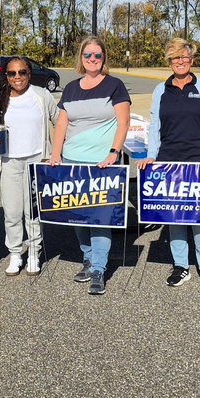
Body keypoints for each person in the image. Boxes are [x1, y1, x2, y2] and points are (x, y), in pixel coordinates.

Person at [137, 39, 200, 289]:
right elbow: (155, 125)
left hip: (198, 158)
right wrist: (152, 154)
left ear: (192, 60)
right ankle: (181, 267)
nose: (180, 62)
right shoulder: (160, 90)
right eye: (175, 58)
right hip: (168, 159)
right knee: (175, 217)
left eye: (184, 57)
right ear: (169, 61)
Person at [49, 37, 131, 296]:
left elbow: (123, 122)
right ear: (81, 57)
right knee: (78, 218)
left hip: (102, 165)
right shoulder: (71, 88)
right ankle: (87, 258)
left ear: (104, 58)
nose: (92, 59)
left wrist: (113, 152)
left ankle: (98, 268)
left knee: (100, 219)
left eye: (97, 55)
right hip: (72, 161)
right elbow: (62, 124)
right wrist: (55, 153)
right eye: (87, 55)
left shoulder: (114, 85)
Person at [0, 56, 58, 276]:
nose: (17, 77)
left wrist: (56, 153)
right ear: (6, 76)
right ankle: (15, 253)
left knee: (33, 212)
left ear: (29, 74)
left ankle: (33, 253)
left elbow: (60, 121)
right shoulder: (0, 98)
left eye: (22, 72)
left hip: (36, 160)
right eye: (12, 73)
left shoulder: (42, 95)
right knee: (11, 212)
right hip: (9, 161)